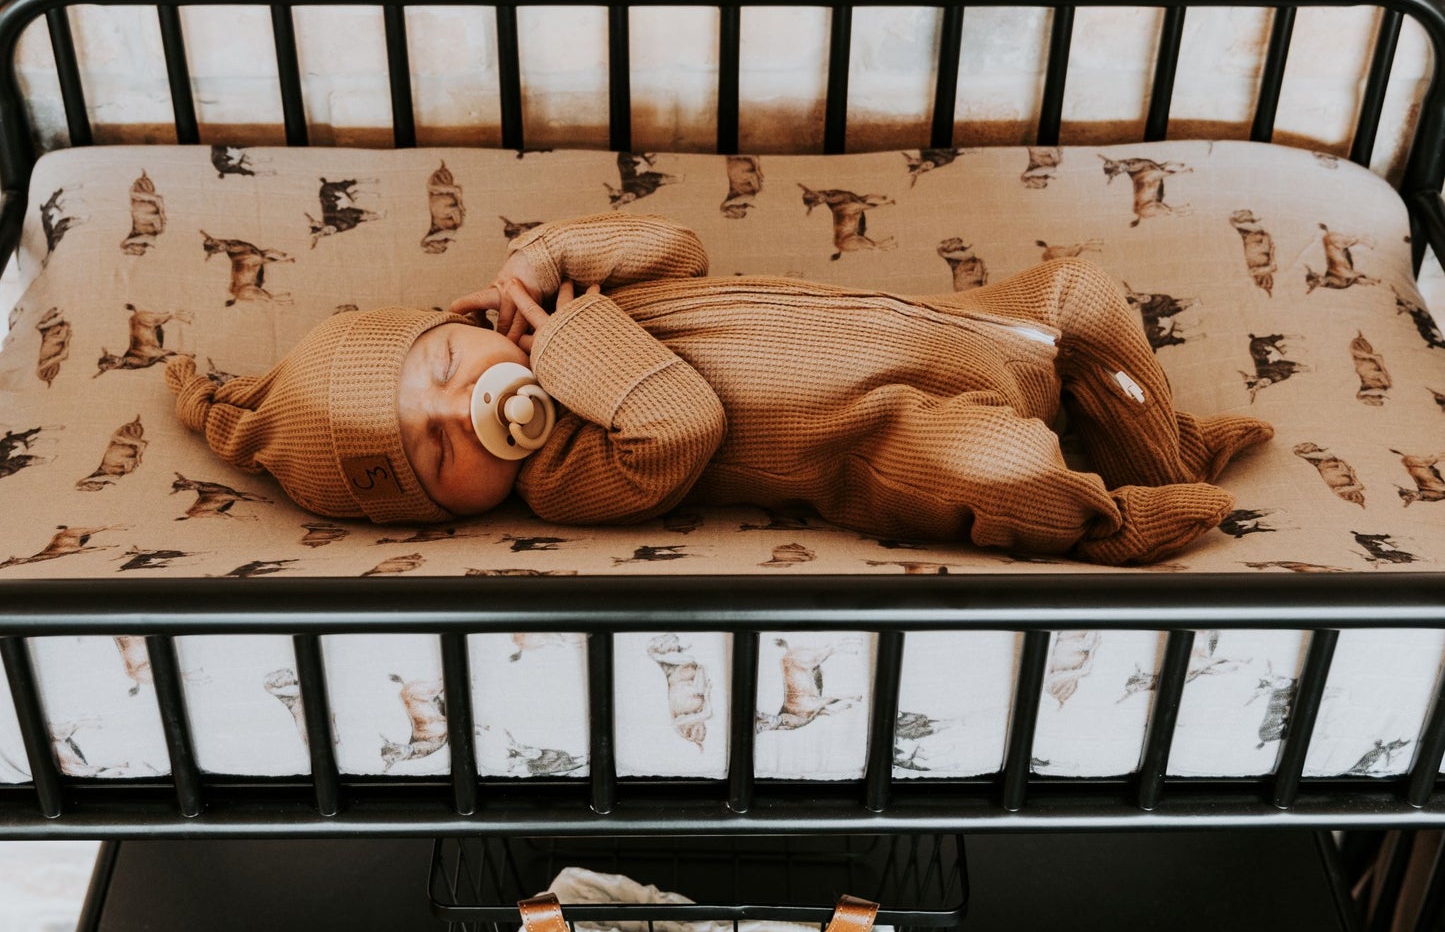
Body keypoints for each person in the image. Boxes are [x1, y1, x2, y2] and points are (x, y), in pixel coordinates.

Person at [166, 212, 1272, 565]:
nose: (470, 410)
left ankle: (1159, 448)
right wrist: (568, 352)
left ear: (457, 322)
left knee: (1082, 294)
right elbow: (678, 423)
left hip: (936, 332)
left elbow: (681, 248)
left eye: (447, 372)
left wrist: (554, 257)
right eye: (441, 451)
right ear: (444, 507)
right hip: (877, 429)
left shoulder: (567, 307)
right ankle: (1111, 521)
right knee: (1003, 466)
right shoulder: (561, 481)